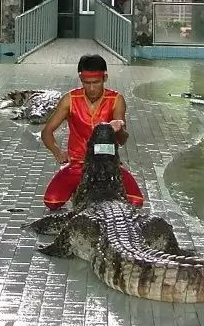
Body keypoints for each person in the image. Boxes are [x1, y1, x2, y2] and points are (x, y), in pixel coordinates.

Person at [40, 53, 144, 209]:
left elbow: (122, 140)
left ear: (105, 78)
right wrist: (57, 152)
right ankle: (80, 190)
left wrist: (119, 128)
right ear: (81, 80)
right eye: (86, 83)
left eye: (96, 82)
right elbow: (46, 131)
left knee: (136, 202)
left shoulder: (116, 100)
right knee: (52, 202)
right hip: (78, 164)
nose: (92, 88)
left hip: (108, 164)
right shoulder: (70, 99)